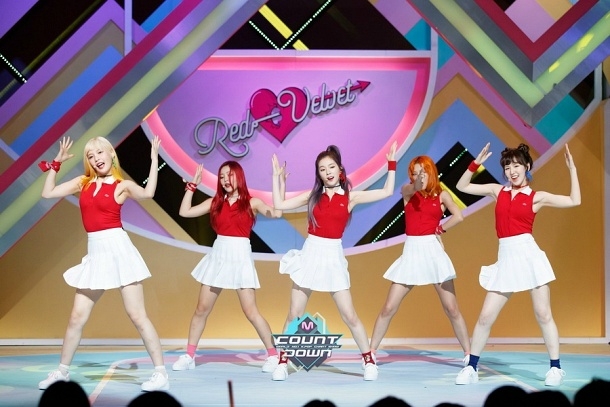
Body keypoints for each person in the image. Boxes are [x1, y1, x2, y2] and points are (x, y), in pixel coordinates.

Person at [38, 135, 169, 392]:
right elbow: (47, 192)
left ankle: (160, 373)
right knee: (76, 316)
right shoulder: (83, 183)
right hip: (96, 254)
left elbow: (148, 193)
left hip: (119, 251)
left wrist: (154, 160)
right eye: (90, 155)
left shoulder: (122, 185)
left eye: (100, 152)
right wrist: (56, 162)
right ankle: (62, 372)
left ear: (110, 154)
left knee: (137, 315)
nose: (96, 158)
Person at [454, 143, 580, 386]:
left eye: (517, 165)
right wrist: (475, 163)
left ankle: (555, 368)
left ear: (527, 166)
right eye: (507, 167)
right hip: (506, 259)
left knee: (543, 314)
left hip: (530, 257)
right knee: (485, 317)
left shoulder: (536, 197)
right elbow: (462, 186)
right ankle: (471, 367)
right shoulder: (497, 191)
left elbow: (575, 200)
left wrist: (572, 169)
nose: (512, 171)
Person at [270, 142, 397, 381]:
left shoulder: (350, 197)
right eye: (322, 169)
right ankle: (282, 362)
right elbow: (279, 205)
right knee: (294, 314)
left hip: (333, 257)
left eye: (331, 167)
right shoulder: (312, 197)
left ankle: (369, 360)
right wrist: (277, 178)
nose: (327, 172)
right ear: (318, 174)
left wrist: (391, 164)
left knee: (349, 315)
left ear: (340, 169)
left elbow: (387, 192)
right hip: (310, 254)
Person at [171, 162, 284, 373]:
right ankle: (189, 356)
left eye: (229, 175)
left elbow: (277, 213)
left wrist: (278, 181)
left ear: (239, 176)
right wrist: (192, 186)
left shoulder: (252, 202)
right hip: (219, 256)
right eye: (221, 176)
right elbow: (184, 212)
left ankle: (273, 356)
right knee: (201, 309)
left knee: (251, 311)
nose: (225, 180)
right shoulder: (215, 202)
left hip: (240, 257)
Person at [369, 155, 470, 366]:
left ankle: (470, 355)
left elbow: (459, 216)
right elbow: (414, 187)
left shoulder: (442, 195)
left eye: (423, 172)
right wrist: (416, 181)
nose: (419, 176)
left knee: (452, 309)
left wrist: (440, 229)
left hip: (433, 252)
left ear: (431, 171)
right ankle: (370, 353)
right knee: (389, 307)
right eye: (415, 173)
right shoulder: (408, 192)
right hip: (412, 252)